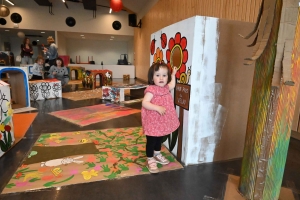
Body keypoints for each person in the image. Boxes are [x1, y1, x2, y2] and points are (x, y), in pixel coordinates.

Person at [141, 62, 180, 173]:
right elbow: (145, 103)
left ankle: (157, 154)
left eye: (164, 75)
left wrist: (173, 75)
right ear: (152, 78)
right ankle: (150, 158)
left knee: (159, 138)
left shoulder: (166, 88)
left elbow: (173, 84)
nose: (161, 78)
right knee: (151, 140)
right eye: (157, 75)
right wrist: (157, 107)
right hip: (152, 121)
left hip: (161, 121)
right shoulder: (151, 90)